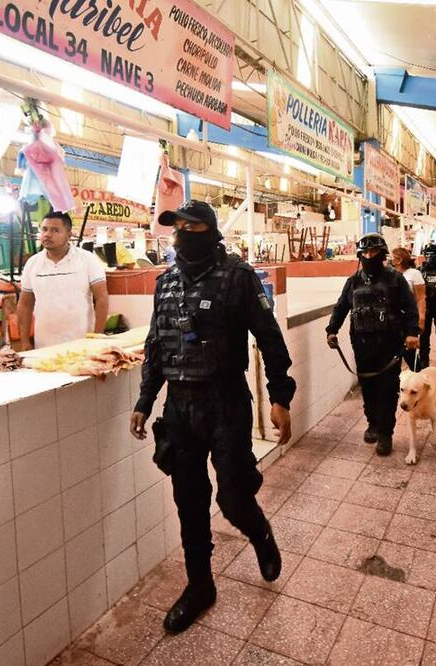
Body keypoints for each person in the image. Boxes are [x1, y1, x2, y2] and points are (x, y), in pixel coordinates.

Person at [129, 200, 295, 634]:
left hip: (225, 402)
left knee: (233, 497)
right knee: (189, 501)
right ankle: (200, 586)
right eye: (176, 226)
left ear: (210, 230)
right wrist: (145, 401)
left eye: (191, 225)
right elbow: (155, 348)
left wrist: (280, 397)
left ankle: (259, 533)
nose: (181, 232)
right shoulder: (164, 283)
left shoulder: (237, 276)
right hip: (180, 408)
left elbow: (270, 338)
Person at [326, 233, 419, 455]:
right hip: (362, 343)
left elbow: (411, 307)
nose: (369, 256)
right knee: (367, 387)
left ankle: (386, 434)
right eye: (365, 252)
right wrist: (332, 329)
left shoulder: (395, 279)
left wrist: (412, 332)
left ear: (382, 253)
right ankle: (373, 424)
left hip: (389, 344)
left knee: (387, 390)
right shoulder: (353, 281)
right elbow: (341, 307)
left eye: (373, 252)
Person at [17, 211, 109, 350]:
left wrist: (97, 336)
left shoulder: (87, 259)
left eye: (55, 230)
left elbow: (102, 299)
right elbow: (25, 305)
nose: (47, 234)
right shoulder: (33, 263)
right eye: (44, 229)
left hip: (82, 343)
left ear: (69, 234)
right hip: (44, 345)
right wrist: (24, 342)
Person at [390, 247, 425, 371]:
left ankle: (419, 380)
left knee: (411, 355)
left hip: (408, 319)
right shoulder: (389, 274)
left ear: (399, 260)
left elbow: (421, 298)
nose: (389, 259)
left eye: (392, 257)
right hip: (394, 320)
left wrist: (421, 317)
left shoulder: (414, 274)